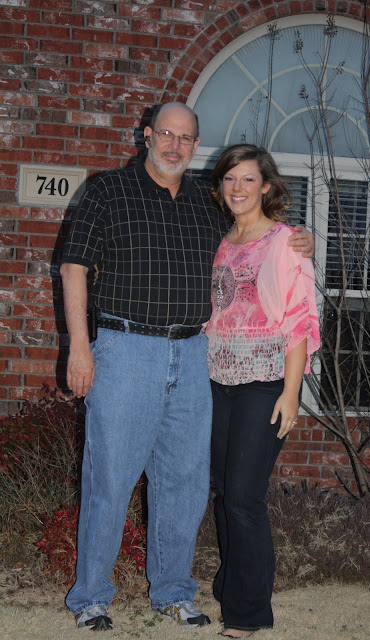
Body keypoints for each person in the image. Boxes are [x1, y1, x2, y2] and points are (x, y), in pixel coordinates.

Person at [60, 103, 315, 631]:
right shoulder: (107, 191)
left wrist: (303, 237)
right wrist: (80, 346)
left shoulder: (207, 203)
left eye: (186, 138)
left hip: (196, 355)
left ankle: (173, 592)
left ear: (195, 146)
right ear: (146, 136)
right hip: (126, 350)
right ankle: (91, 598)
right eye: (166, 135)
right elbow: (73, 267)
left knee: (185, 483)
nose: (175, 146)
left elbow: (258, 236)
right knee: (110, 479)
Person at [205, 145, 320, 638]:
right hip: (215, 380)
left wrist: (291, 393)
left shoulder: (286, 241)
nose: (238, 188)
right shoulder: (220, 239)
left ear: (266, 186)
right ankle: (232, 584)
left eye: (248, 179)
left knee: (244, 497)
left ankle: (248, 613)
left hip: (264, 382)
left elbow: (299, 319)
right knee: (223, 493)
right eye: (230, 178)